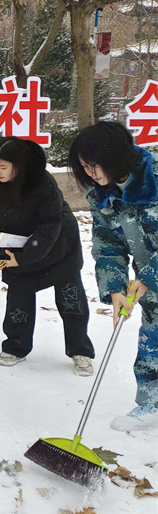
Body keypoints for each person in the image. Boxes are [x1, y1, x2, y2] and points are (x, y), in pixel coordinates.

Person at [0, 136, 94, 376]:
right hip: (16, 246)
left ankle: (80, 350)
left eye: (3, 167)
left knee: (71, 301)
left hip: (58, 247)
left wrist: (26, 255)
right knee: (18, 300)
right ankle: (16, 346)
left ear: (18, 166)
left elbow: (50, 226)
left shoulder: (43, 184)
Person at [68, 120, 158, 431]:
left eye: (95, 165)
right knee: (153, 339)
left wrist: (150, 277)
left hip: (151, 277)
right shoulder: (102, 196)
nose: (91, 173)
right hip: (149, 285)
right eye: (84, 167)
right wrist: (116, 289)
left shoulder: (155, 177)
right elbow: (108, 245)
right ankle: (151, 404)